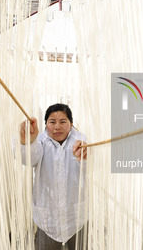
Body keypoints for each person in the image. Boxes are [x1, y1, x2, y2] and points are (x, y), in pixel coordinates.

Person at [18, 103, 88, 250]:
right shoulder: (40, 141)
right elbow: (29, 159)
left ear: (71, 124)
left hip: (75, 217)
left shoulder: (81, 141)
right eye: (52, 122)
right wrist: (28, 142)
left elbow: (91, 165)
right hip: (47, 220)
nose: (57, 127)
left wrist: (84, 155)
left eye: (63, 122)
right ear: (45, 125)